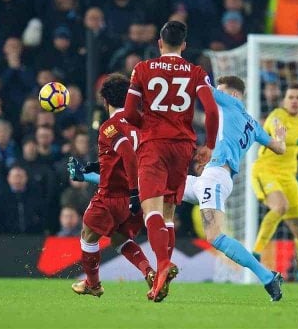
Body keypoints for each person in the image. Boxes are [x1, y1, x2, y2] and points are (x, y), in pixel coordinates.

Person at [124, 20, 219, 302]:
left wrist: (149, 127)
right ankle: (161, 283)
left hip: (154, 145)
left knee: (149, 210)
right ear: (184, 46)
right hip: (183, 148)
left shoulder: (142, 69)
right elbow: (211, 111)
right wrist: (209, 145)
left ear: (160, 44)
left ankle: (163, 265)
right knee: (168, 214)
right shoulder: (196, 72)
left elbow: (129, 112)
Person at [181, 76, 286, 301]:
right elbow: (279, 148)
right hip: (210, 177)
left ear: (234, 95)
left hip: (216, 177)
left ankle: (268, 277)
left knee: (215, 236)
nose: (217, 97)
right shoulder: (254, 125)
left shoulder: (231, 103)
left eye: (221, 92)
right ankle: (87, 175)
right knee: (156, 189)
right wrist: (280, 137)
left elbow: (201, 88)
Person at [67, 73, 155, 298]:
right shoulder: (141, 123)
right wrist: (94, 166)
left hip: (113, 195)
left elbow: (127, 154)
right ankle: (149, 272)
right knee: (120, 238)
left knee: (88, 235)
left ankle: (93, 284)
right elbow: (124, 156)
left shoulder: (109, 126)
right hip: (139, 197)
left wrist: (133, 192)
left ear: (105, 101)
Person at [251, 83, 298, 288]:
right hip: (266, 170)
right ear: (284, 101)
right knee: (280, 206)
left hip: (289, 176)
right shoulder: (277, 116)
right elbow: (281, 141)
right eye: (291, 97)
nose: (294, 101)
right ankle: (256, 252)